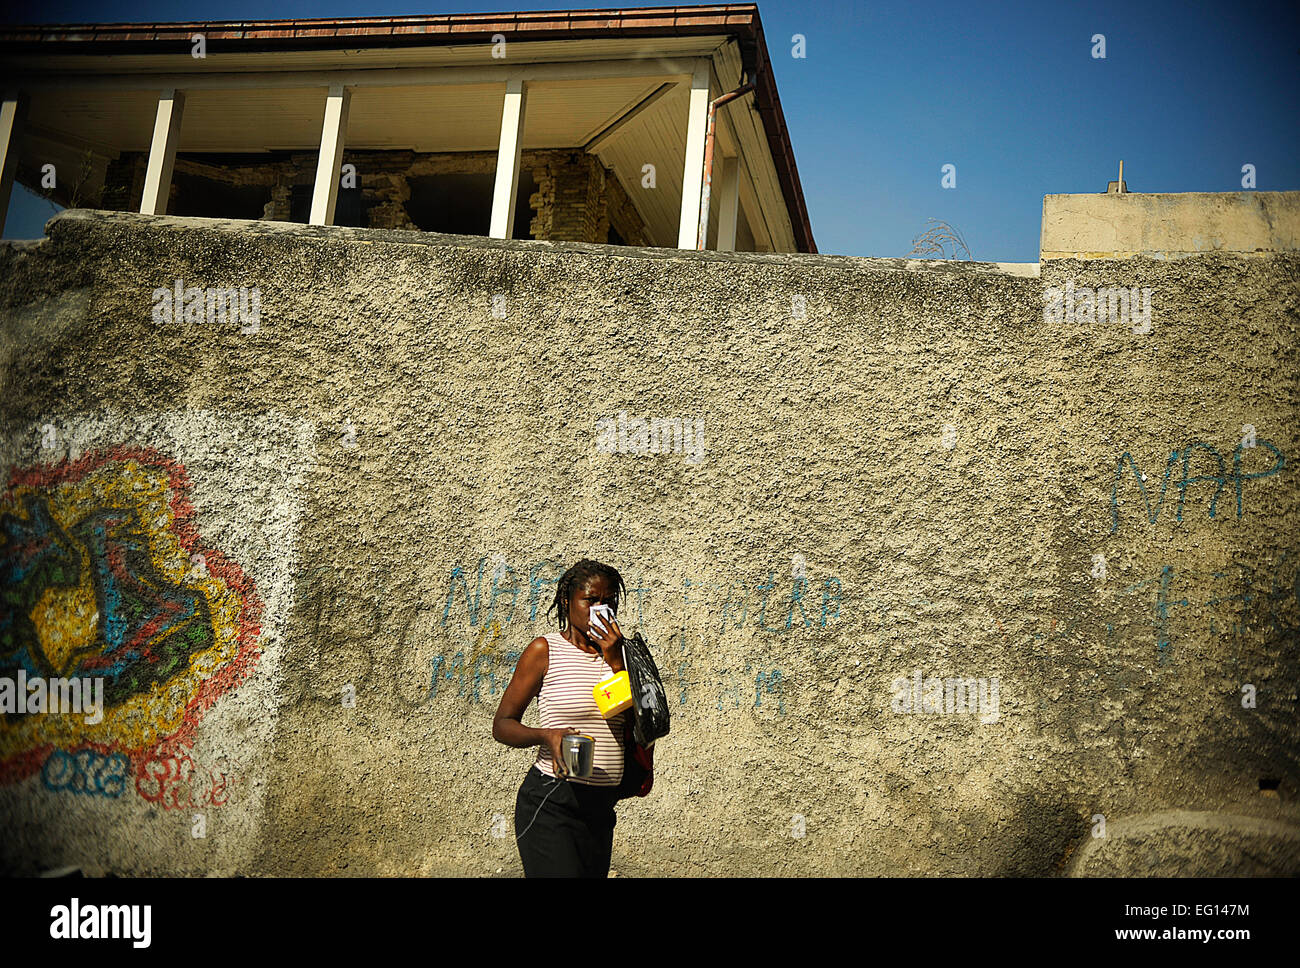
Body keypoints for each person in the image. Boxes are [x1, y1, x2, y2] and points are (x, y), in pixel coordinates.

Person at [492, 559, 630, 877]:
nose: (601, 609)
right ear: (568, 602)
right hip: (553, 800)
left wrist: (614, 661)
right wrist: (546, 736)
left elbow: (636, 719)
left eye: (608, 602)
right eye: (591, 600)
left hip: (601, 806)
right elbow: (503, 725)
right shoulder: (545, 651)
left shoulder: (623, 656)